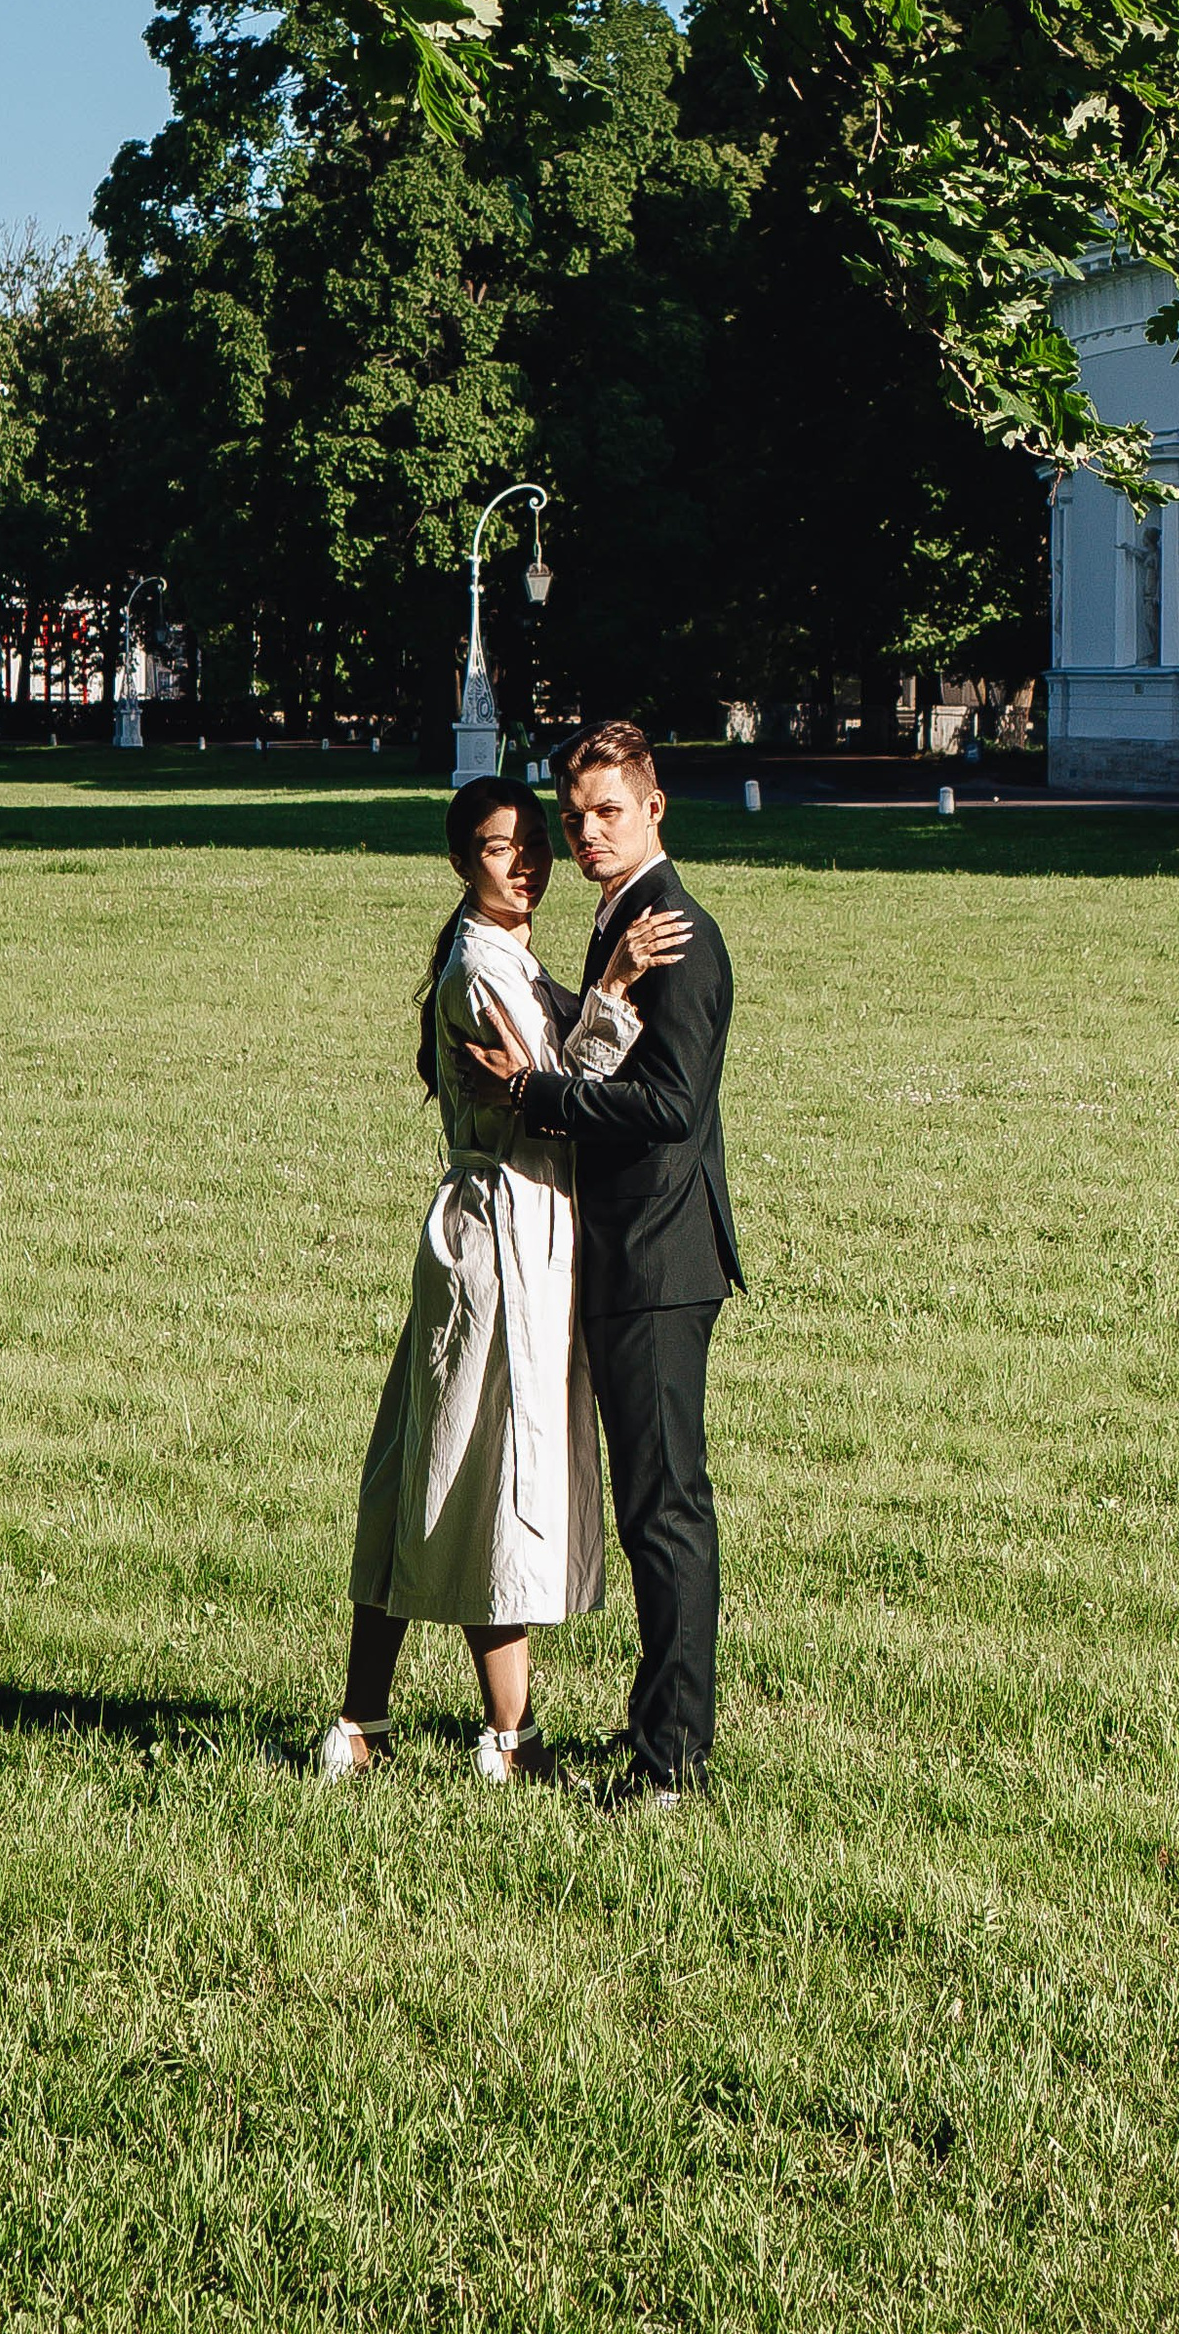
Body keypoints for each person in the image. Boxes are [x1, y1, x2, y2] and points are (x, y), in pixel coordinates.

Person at [316, 775, 690, 1786]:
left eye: (534, 843)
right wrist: (610, 996)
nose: (524, 861)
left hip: (513, 1230)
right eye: (497, 847)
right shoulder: (481, 969)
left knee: (429, 1473)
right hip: (501, 1236)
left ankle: (362, 1722)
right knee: (485, 1477)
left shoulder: (505, 954)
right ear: (459, 861)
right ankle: (508, 1740)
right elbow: (552, 1100)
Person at [465, 720, 742, 1805]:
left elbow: (670, 1108)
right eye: (573, 815)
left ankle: (670, 1764)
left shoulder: (678, 932)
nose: (585, 832)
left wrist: (534, 1094)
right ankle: (662, 1739)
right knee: (650, 1509)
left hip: (660, 1258)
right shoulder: (623, 922)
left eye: (607, 812)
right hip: (627, 1252)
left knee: (665, 1510)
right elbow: (621, 1055)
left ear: (654, 806)